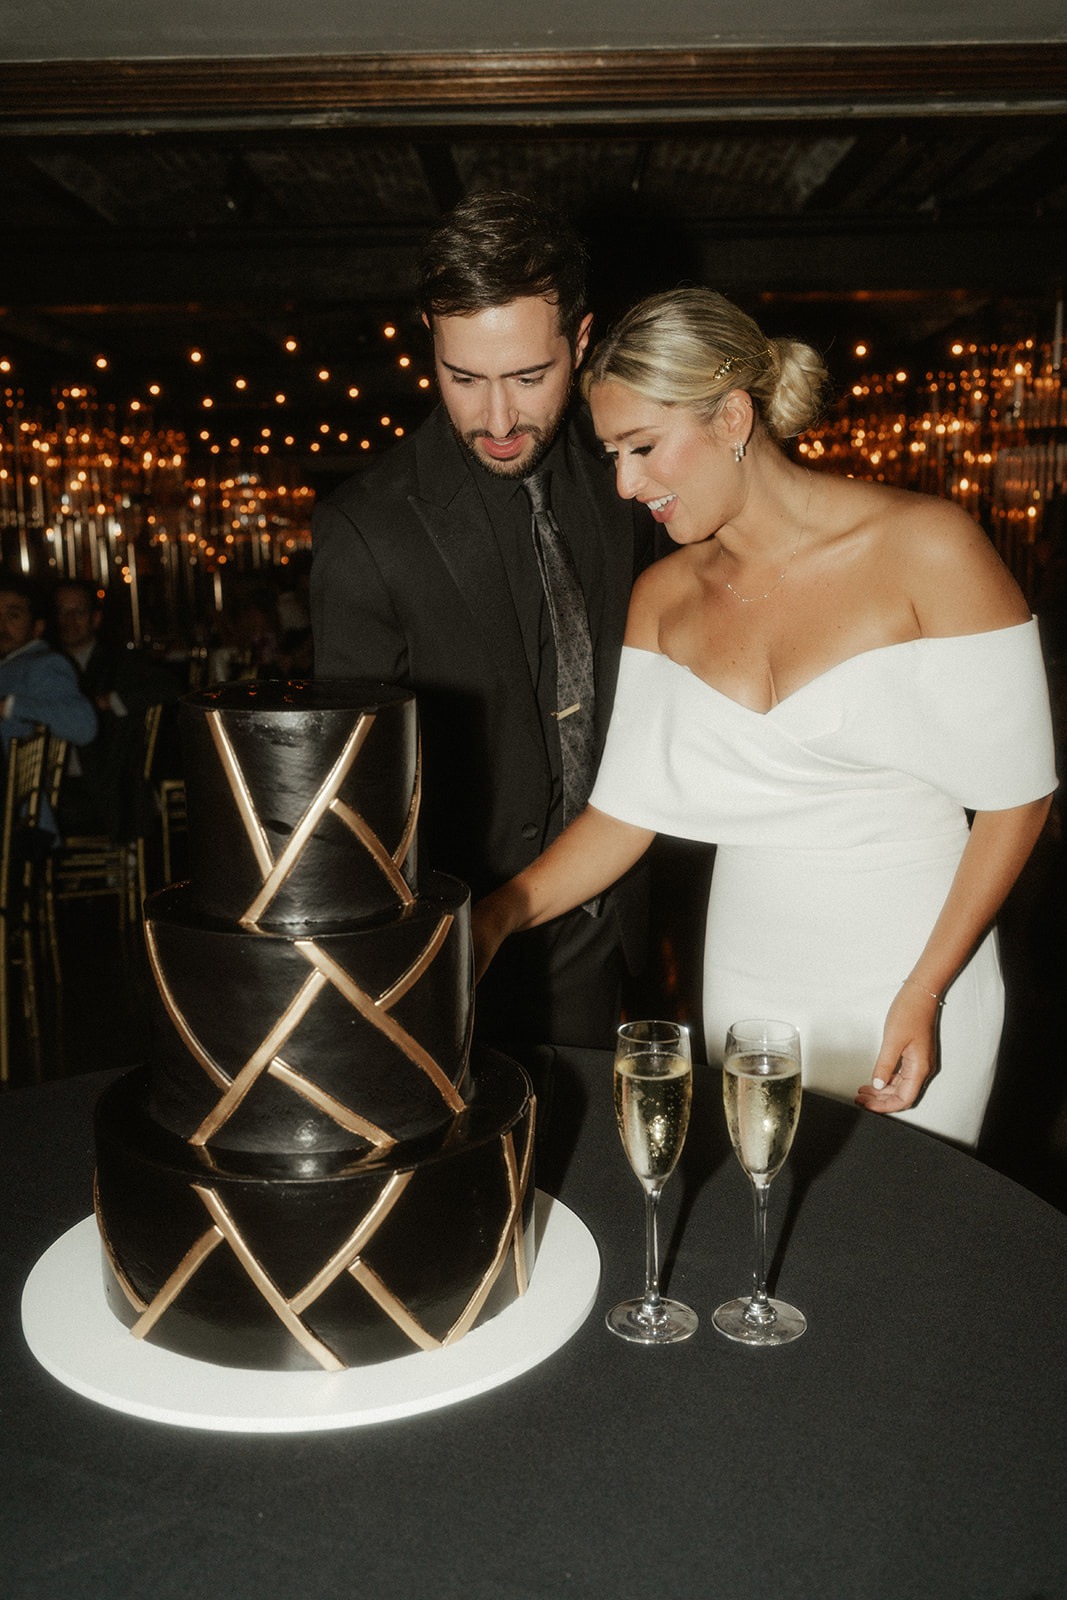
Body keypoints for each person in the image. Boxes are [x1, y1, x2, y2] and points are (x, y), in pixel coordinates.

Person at [473, 287, 1058, 1148]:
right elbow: (627, 812)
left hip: (917, 960)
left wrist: (925, 989)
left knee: (907, 1237)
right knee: (767, 1227)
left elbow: (1018, 800)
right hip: (750, 971)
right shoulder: (662, 597)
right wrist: (498, 916)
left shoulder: (929, 545)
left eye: (642, 447)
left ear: (733, 416)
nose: (626, 483)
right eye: (611, 455)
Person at [311, 190, 656, 1051]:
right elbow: (351, 797)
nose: (496, 420)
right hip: (465, 949)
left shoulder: (632, 482)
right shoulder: (369, 527)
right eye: (462, 378)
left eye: (527, 378)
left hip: (640, 924)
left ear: (580, 342)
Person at [51, 577, 180, 840]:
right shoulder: (45, 666)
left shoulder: (117, 662)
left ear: (95, 619)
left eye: (78, 612)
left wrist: (110, 701)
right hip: (56, 783)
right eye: (63, 612)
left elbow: (170, 687)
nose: (70, 619)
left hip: (108, 788)